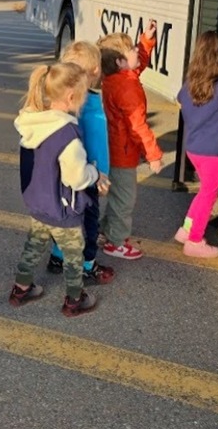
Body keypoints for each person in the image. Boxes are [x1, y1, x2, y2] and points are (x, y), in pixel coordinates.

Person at [9, 62, 102, 317]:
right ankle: (74, 299)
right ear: (71, 97)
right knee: (73, 254)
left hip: (38, 202)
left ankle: (21, 288)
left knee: (34, 245)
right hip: (63, 208)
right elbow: (76, 178)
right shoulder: (67, 135)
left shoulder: (32, 122)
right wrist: (94, 173)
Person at [45, 41, 115, 285]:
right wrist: (101, 175)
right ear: (96, 70)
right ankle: (87, 265)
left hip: (63, 176)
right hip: (87, 176)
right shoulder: (90, 105)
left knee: (65, 218)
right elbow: (96, 145)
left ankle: (57, 256)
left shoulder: (60, 104)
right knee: (88, 222)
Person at [173, 31, 218, 259]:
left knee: (204, 192)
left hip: (193, 149)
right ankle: (194, 241)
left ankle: (186, 229)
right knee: (209, 196)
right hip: (213, 153)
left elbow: (180, 103)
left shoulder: (190, 84)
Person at [96, 24, 165, 260]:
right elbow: (138, 126)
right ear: (120, 62)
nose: (137, 50)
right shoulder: (126, 87)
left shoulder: (119, 78)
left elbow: (139, 62)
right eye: (133, 49)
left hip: (114, 150)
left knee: (117, 195)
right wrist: (153, 155)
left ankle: (105, 230)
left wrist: (146, 41)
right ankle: (116, 242)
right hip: (123, 154)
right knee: (124, 199)